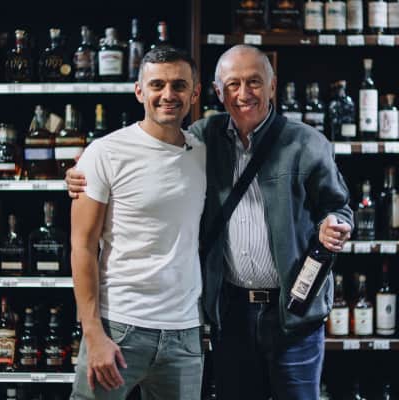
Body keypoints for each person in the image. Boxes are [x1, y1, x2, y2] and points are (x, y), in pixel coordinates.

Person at [67, 45, 353, 400]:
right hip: (226, 314)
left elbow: (338, 207)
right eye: (233, 84)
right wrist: (83, 171)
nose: (244, 93)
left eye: (254, 82)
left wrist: (333, 224)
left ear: (272, 85)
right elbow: (87, 234)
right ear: (218, 92)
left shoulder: (304, 143)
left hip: (289, 314)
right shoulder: (205, 138)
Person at [69, 46, 205, 400]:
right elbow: (82, 246)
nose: (168, 94)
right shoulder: (105, 153)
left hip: (184, 332)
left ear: (195, 93)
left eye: (179, 85)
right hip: (118, 326)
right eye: (157, 84)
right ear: (139, 91)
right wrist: (93, 333)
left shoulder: (204, 154)